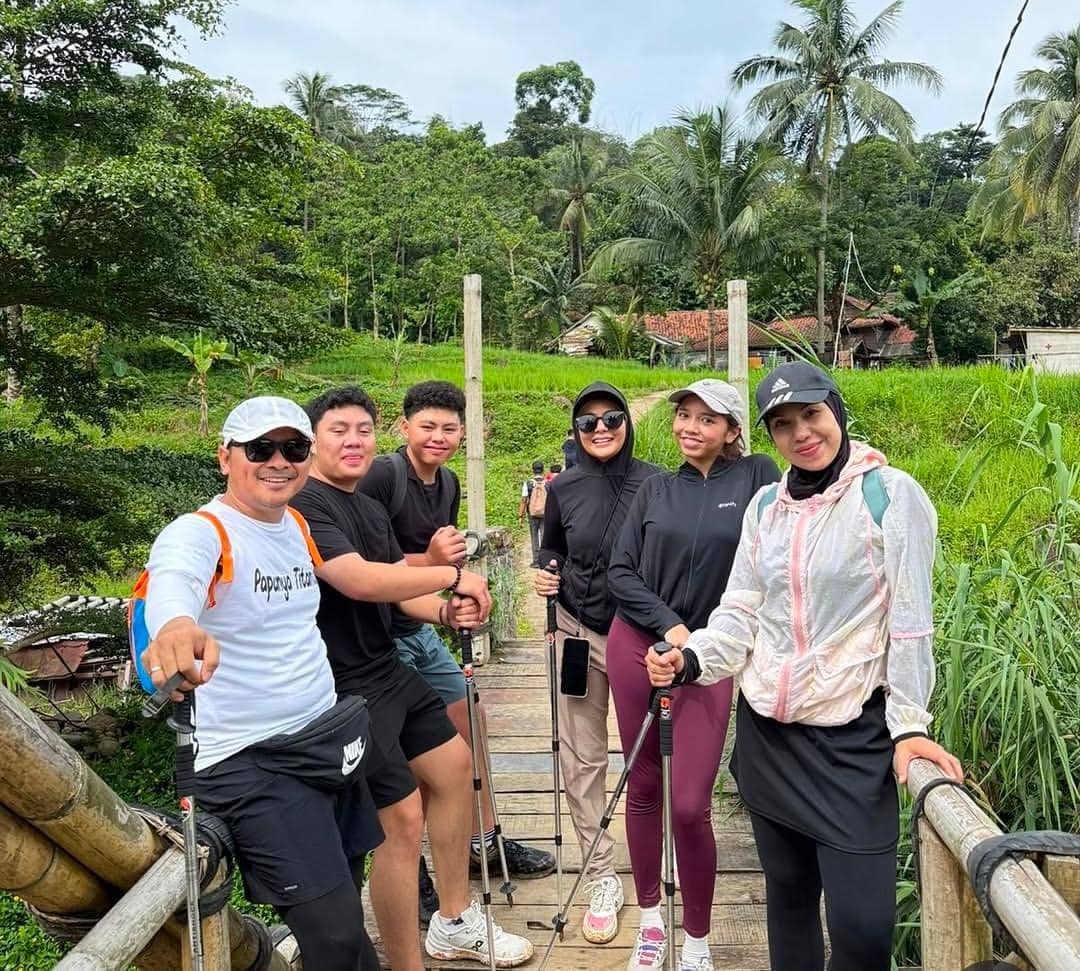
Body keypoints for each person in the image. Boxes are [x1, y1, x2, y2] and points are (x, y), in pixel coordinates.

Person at [647, 362, 964, 971]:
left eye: (812, 415)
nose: (802, 433)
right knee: (788, 907)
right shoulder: (765, 505)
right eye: (783, 424)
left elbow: (911, 622)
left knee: (862, 932)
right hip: (769, 740)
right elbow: (741, 609)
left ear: (836, 411)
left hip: (851, 743)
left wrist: (911, 725)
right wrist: (692, 660)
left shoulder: (890, 496)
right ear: (769, 435)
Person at [291, 386, 533, 970]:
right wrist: (453, 575)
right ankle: (406, 962)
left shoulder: (370, 508)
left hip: (386, 668)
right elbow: (359, 582)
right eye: (338, 430)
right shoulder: (307, 506)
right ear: (313, 441)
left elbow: (400, 587)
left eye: (362, 431)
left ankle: (452, 921)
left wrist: (450, 609)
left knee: (454, 768)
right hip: (340, 686)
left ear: (378, 437)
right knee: (400, 821)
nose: (353, 441)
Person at [138, 396, 383, 971]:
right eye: (260, 449)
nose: (279, 461)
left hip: (326, 743)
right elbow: (174, 580)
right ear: (226, 458)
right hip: (253, 763)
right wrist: (175, 627)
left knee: (345, 909)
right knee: (341, 940)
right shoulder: (201, 532)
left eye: (294, 448)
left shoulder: (294, 522)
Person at [359, 379, 554, 907]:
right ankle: (414, 868)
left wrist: (458, 591)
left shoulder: (445, 484)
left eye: (449, 428)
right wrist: (442, 569)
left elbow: (441, 563)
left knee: (471, 719)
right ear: (404, 428)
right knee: (409, 758)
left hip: (418, 629)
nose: (438, 437)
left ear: (463, 433)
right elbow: (371, 565)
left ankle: (482, 844)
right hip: (375, 639)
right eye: (427, 426)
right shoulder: (382, 476)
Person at [607, 380, 780, 971]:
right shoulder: (655, 488)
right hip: (639, 646)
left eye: (708, 420)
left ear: (732, 431)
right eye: (683, 416)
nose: (689, 427)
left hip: (710, 657)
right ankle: (651, 922)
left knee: (689, 804)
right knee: (644, 787)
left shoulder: (757, 477)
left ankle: (699, 940)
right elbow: (621, 572)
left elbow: (804, 508)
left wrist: (697, 641)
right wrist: (670, 626)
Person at [533, 382, 661, 946]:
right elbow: (551, 545)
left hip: (638, 639)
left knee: (651, 754)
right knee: (583, 756)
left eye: (612, 418)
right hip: (576, 633)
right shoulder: (564, 487)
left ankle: (657, 865)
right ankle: (602, 874)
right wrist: (546, 569)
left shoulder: (659, 482)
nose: (601, 429)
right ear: (576, 433)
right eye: (588, 423)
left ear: (628, 421)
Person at [519, 459, 548, 567]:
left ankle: (536, 561)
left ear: (533, 470)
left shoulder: (528, 483)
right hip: (545, 514)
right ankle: (545, 560)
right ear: (543, 470)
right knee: (545, 536)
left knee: (534, 537)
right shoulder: (548, 483)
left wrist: (520, 516)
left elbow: (523, 500)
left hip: (532, 514)